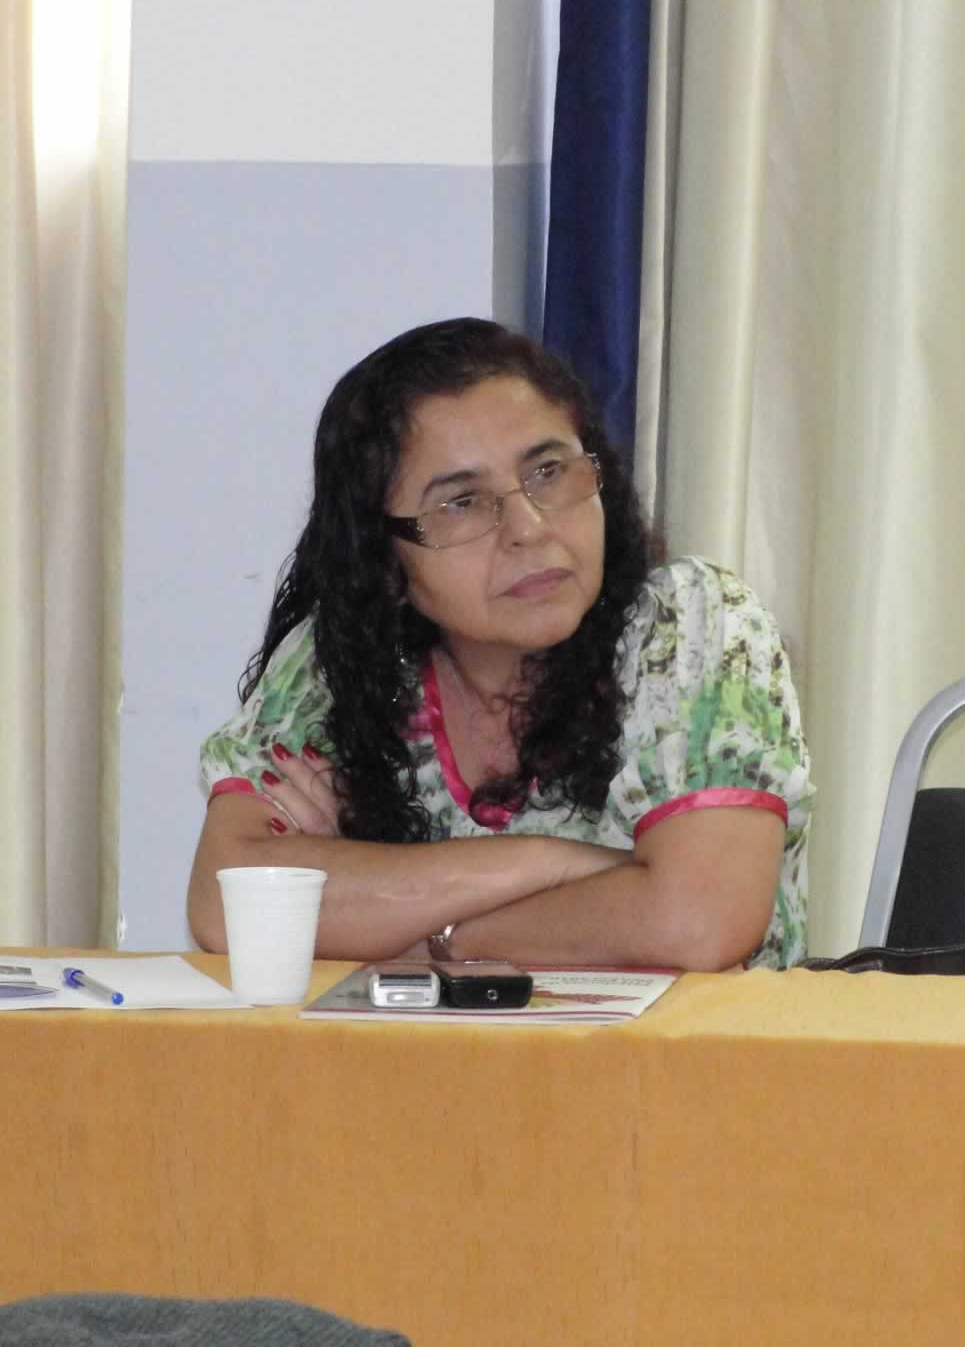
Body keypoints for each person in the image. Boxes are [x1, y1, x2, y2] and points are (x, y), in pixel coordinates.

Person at [187, 318, 813, 971]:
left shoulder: (686, 624)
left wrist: (433, 938)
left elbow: (694, 922)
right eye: (462, 502)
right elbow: (227, 906)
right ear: (385, 562)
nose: (529, 527)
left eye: (548, 471)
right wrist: (556, 863)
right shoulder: (337, 667)